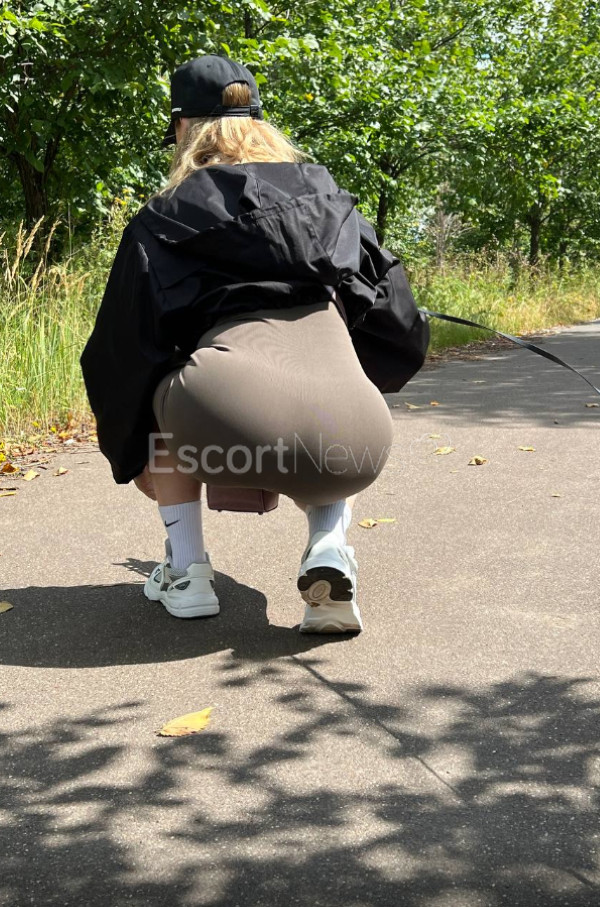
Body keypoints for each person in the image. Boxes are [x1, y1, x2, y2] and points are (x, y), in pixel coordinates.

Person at [80, 55, 429, 634]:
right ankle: (330, 549)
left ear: (182, 127)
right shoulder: (328, 200)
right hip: (361, 443)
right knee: (330, 387)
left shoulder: (163, 218)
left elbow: (123, 351)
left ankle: (186, 572)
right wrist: (362, 379)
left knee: (161, 380)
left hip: (222, 426)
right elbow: (398, 318)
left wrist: (129, 454)